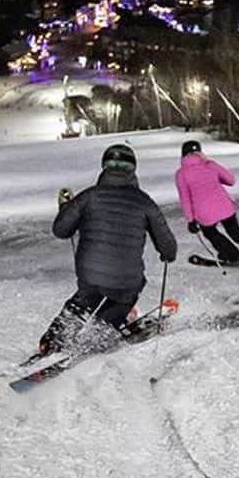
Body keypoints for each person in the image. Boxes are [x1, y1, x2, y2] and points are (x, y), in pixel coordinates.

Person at [38, 144, 178, 356]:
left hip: (89, 271)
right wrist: (167, 254)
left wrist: (66, 208)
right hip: (126, 277)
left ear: (105, 167)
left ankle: (53, 341)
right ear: (133, 169)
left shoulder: (89, 196)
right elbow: (168, 246)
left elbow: (61, 230)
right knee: (124, 294)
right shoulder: (143, 201)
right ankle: (103, 328)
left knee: (86, 297)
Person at [174, 140, 239, 262]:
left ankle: (232, 255)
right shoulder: (210, 165)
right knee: (237, 234)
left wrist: (191, 221)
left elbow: (185, 199)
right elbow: (231, 180)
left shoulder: (181, 174)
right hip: (224, 207)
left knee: (212, 234)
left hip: (205, 214)